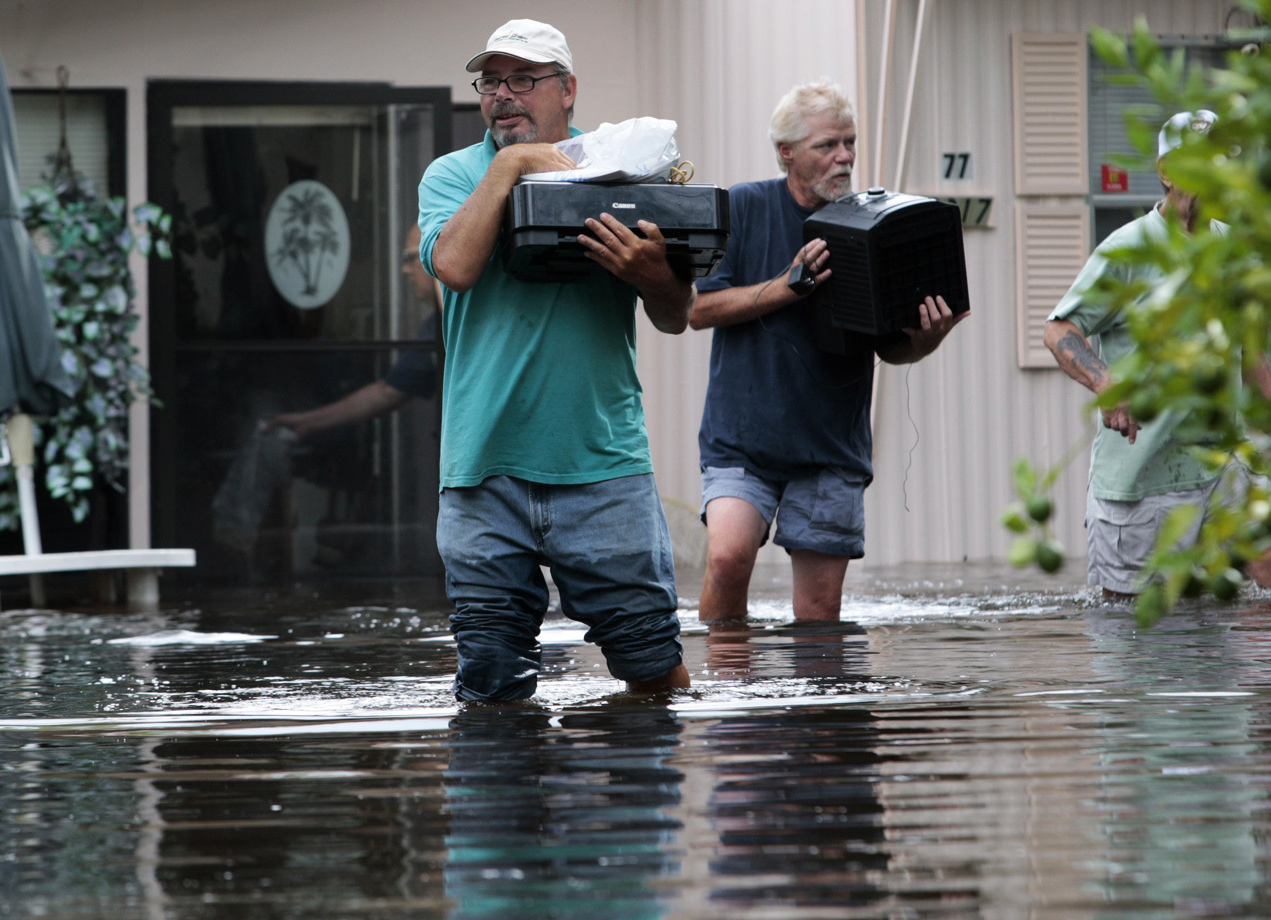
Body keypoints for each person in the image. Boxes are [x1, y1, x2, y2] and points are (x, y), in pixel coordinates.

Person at [416, 19, 694, 701]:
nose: (504, 95)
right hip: (482, 470)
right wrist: (512, 165)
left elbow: (675, 315)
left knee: (652, 668)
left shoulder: (621, 173)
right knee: (489, 680)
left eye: (524, 79)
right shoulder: (453, 176)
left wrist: (653, 272)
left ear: (567, 90)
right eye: (491, 81)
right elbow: (452, 266)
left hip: (601, 465)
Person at [690, 80, 968, 624]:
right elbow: (698, 311)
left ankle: (817, 711)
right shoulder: (743, 206)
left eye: (850, 142)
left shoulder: (875, 222)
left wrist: (928, 337)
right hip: (742, 441)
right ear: (786, 153)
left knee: (818, 613)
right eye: (827, 146)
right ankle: (728, 702)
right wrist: (787, 286)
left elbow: (892, 351)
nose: (844, 157)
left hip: (830, 447)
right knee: (727, 559)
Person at [1045, 109, 1271, 598]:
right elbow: (1059, 329)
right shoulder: (1128, 251)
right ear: (1166, 172)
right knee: (1136, 643)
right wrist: (1106, 384)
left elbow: (1252, 362)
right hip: (1141, 482)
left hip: (1222, 472)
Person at [264, 224, 442, 440]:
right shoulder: (434, 327)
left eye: (410, 257)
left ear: (439, 255)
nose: (405, 270)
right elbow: (388, 392)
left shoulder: (474, 318)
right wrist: (308, 422)